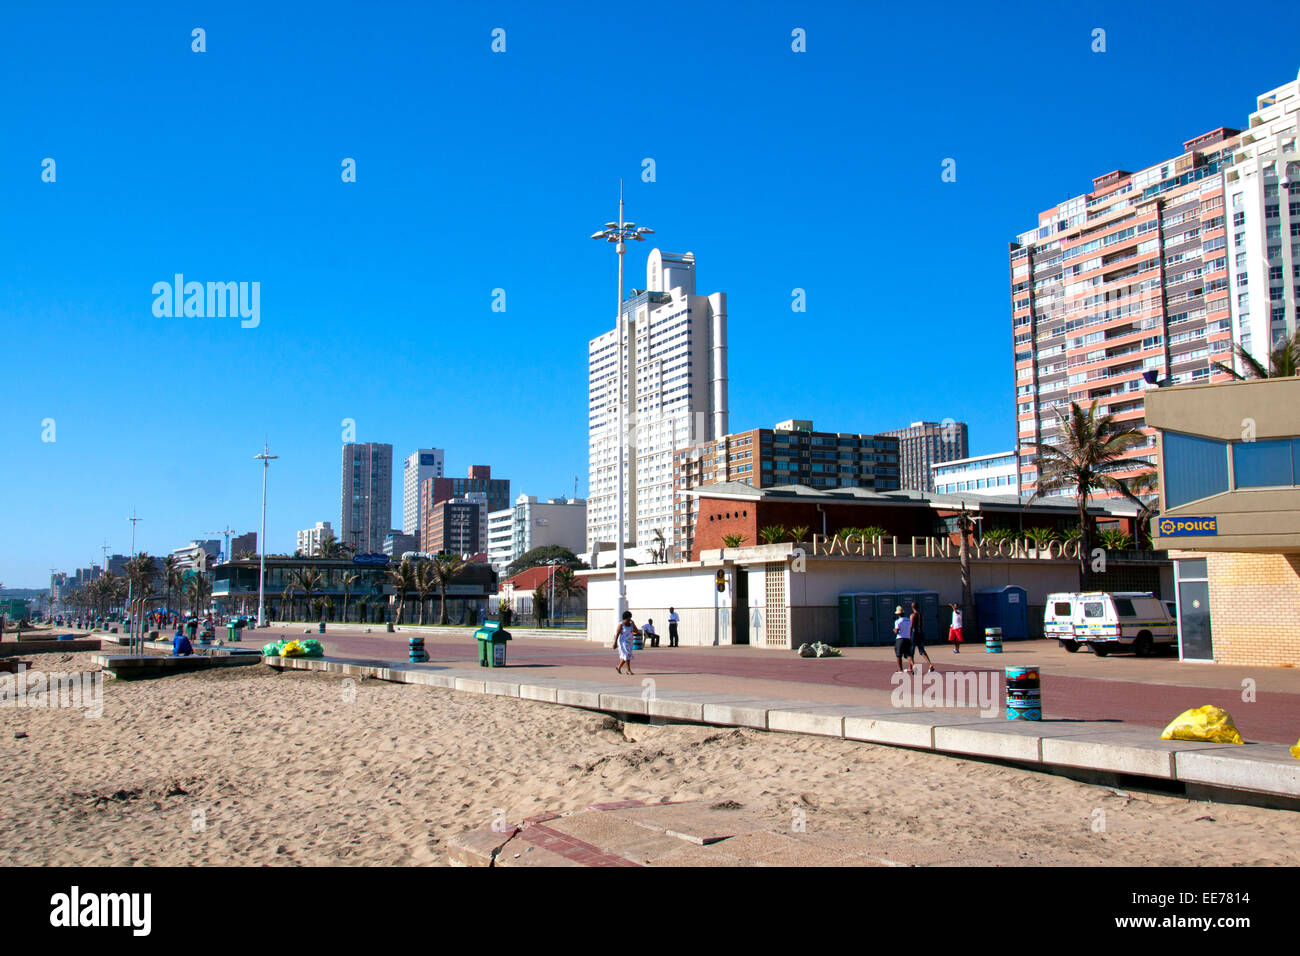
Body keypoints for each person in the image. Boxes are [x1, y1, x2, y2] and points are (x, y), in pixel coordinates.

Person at [910, 602, 934, 675]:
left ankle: (914, 668)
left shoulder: (912, 615)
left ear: (912, 607)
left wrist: (909, 635)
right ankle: (930, 664)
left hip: (914, 633)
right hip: (921, 633)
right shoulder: (921, 615)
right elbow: (922, 625)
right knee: (922, 650)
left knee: (911, 651)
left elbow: (911, 626)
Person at [613, 611, 638, 675]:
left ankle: (618, 667)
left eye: (630, 618)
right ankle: (628, 670)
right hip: (623, 642)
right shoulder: (621, 624)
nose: (630, 619)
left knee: (626, 655)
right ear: (625, 618)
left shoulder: (631, 624)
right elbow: (617, 634)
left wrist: (634, 623)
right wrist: (615, 642)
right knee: (627, 655)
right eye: (629, 618)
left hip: (629, 642)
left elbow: (636, 631)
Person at [893, 605, 914, 674]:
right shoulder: (909, 620)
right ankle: (913, 666)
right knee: (908, 654)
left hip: (900, 639)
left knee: (898, 655)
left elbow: (897, 631)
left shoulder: (897, 621)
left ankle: (900, 669)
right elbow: (911, 629)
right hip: (907, 639)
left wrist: (894, 630)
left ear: (898, 614)